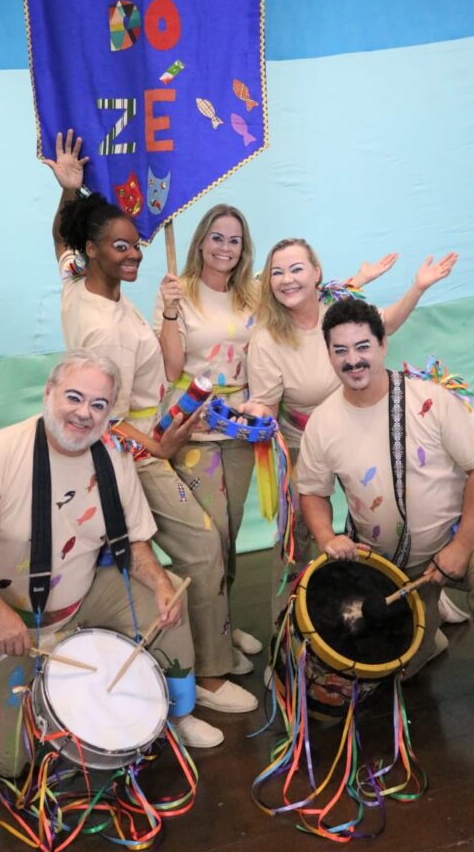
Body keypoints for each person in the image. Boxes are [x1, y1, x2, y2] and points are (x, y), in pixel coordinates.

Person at [0, 352, 223, 776]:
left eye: (99, 405)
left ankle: (178, 715)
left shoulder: (113, 455)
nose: (84, 414)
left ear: (110, 412)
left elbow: (133, 541)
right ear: (48, 393)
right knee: (13, 761)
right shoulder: (0, 455)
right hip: (9, 620)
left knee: (166, 594)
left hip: (80, 599)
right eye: (74, 398)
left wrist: (159, 584)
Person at [41, 131, 258, 720]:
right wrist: (158, 443)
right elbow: (101, 420)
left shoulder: (81, 288)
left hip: (145, 436)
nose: (133, 254)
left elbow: (61, 243)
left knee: (207, 543)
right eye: (121, 247)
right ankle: (207, 679)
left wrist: (66, 193)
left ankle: (213, 638)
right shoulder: (101, 327)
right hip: (129, 451)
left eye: (135, 245)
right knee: (203, 544)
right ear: (95, 250)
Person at [295, 297, 474, 738]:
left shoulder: (430, 399)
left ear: (383, 344)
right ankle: (428, 641)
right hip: (389, 567)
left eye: (362, 346)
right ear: (329, 353)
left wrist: (463, 546)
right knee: (394, 669)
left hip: (459, 538)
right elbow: (313, 493)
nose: (353, 360)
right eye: (340, 350)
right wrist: (324, 535)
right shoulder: (323, 423)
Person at [243, 238, 461, 622]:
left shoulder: (339, 310)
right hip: (304, 444)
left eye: (296, 269)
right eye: (277, 271)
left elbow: (386, 323)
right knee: (298, 537)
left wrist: (419, 286)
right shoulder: (266, 338)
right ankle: (287, 626)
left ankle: (425, 595)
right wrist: (252, 413)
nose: (287, 279)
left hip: (362, 428)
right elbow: (265, 401)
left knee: (396, 505)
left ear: (316, 273)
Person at [154, 205, 261, 671]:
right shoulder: (177, 291)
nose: (224, 247)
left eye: (233, 240)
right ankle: (205, 642)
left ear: (243, 248)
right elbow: (172, 368)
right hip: (194, 424)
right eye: (216, 237)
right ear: (200, 242)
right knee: (208, 538)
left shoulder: (252, 295)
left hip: (238, 425)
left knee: (230, 533)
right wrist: (172, 312)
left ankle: (222, 622)